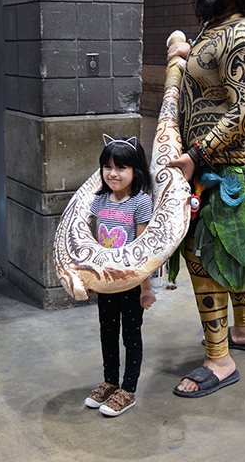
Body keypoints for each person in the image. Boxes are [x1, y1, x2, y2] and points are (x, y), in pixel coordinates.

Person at [167, 0, 245, 398]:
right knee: (231, 253)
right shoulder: (217, 26)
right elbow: (210, 73)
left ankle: (219, 360)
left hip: (227, 169)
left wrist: (197, 154)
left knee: (204, 258)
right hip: (219, 165)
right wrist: (186, 51)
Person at [85, 134, 156, 416]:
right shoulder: (100, 199)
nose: (113, 174)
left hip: (131, 284)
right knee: (107, 333)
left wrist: (146, 289)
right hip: (106, 283)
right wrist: (91, 279)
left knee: (131, 335)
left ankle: (128, 390)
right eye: (107, 167)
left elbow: (143, 251)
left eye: (120, 168)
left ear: (135, 171)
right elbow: (93, 244)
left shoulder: (140, 203)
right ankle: (110, 381)